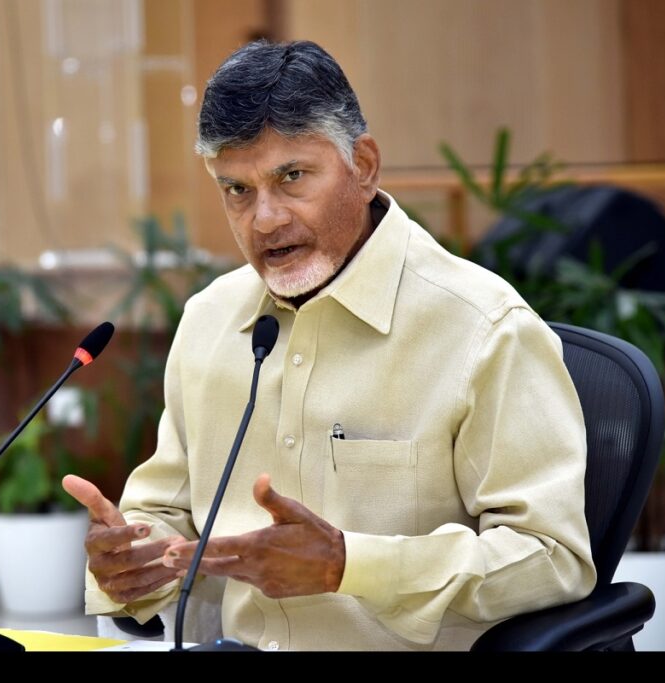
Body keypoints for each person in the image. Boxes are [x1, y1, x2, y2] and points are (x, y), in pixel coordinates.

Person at [63, 39, 596, 651]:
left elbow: (551, 558)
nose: (265, 219)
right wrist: (132, 557)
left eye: (291, 177)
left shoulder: (483, 328)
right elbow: (166, 514)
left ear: (362, 167)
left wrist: (349, 565)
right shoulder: (210, 320)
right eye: (236, 190)